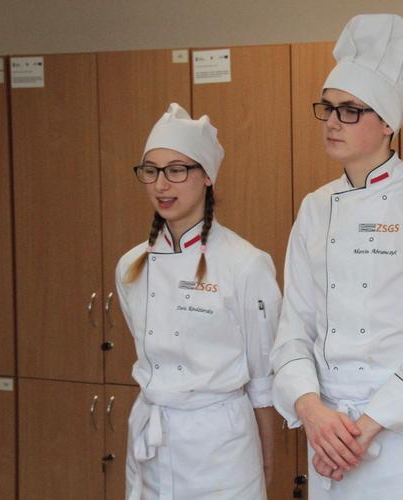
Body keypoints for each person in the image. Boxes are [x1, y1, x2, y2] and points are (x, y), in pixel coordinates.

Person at [270, 13, 403, 500]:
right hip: (328, 434)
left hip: (402, 439)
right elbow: (293, 327)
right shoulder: (315, 207)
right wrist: (312, 411)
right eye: (328, 108)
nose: (332, 122)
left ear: (387, 123)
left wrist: (366, 427)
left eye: (350, 111)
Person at [115, 103, 281, 500]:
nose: (161, 185)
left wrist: (267, 455)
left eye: (176, 170)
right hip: (152, 440)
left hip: (220, 449)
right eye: (151, 171)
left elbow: (263, 378)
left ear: (206, 176)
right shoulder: (130, 267)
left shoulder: (246, 264)